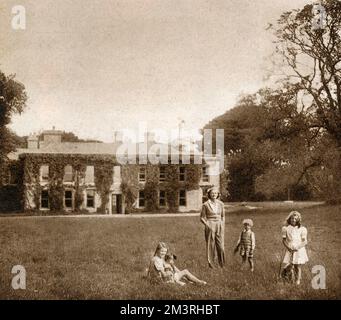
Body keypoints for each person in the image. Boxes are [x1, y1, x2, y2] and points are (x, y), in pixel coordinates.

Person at [281, 211, 309, 285]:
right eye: (292, 218)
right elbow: (283, 240)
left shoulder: (302, 229)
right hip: (290, 248)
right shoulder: (286, 228)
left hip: (299, 249)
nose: (293, 220)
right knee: (290, 265)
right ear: (289, 219)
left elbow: (305, 241)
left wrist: (298, 247)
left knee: (297, 266)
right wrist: (288, 248)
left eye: (295, 219)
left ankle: (297, 281)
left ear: (298, 220)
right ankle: (288, 278)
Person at [200, 187, 225, 268]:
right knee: (211, 245)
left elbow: (223, 216)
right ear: (209, 194)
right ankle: (211, 264)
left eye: (215, 193)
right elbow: (202, 217)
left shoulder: (221, 204)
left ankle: (222, 264)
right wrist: (207, 224)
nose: (214, 195)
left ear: (218, 194)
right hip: (210, 224)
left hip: (219, 225)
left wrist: (222, 224)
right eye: (212, 193)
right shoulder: (206, 204)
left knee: (220, 246)